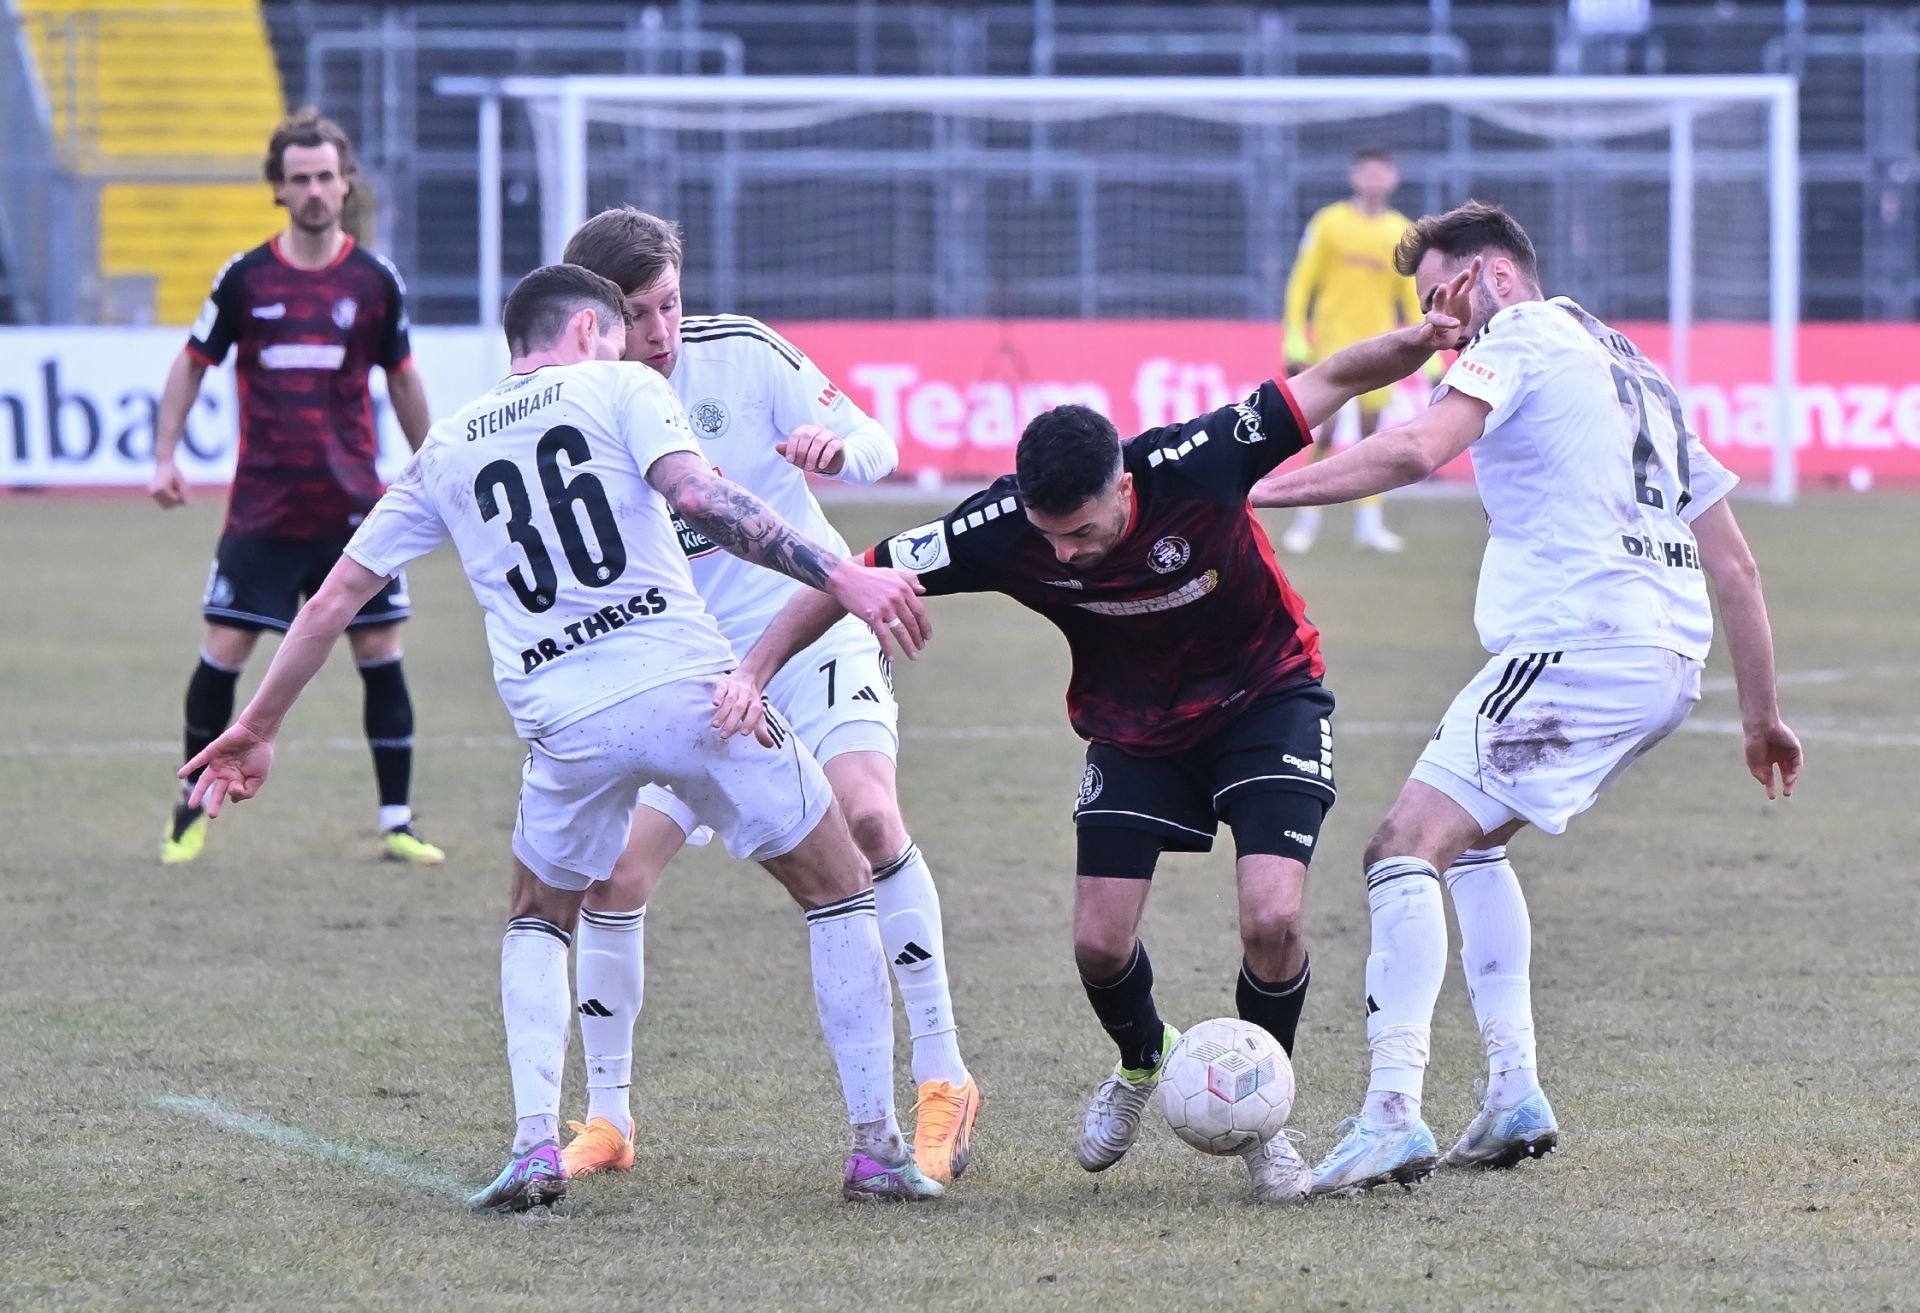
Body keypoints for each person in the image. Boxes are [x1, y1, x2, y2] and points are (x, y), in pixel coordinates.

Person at [182, 264, 943, 1210]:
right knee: (838, 885)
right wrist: (840, 571)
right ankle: (875, 1148)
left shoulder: (448, 443)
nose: (636, 344)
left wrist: (256, 725)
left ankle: (534, 1146)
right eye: (619, 328)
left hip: (564, 725)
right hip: (691, 696)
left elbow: (335, 597)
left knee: (538, 915)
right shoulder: (620, 386)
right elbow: (701, 498)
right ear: (588, 330)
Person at [712, 273, 1480, 1204]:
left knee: (1273, 919)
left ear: (1123, 485)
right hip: (1134, 729)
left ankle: (1263, 1121)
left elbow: (1332, 379)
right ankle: (1144, 1059)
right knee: (1098, 947)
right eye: (1050, 536)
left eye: (1080, 532)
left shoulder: (1201, 460)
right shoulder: (1002, 531)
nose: (1065, 552)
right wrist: (754, 670)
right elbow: (847, 575)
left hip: (1267, 697)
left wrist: (1424, 339)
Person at [1249, 200, 1805, 1194]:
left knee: (1399, 847)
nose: (1439, 321)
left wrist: (1249, 490)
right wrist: (1761, 716)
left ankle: (1390, 1113)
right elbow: (1738, 564)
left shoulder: (1517, 336)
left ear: (1495, 276)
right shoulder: (1635, 367)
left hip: (1578, 641)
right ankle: (1513, 1090)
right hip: (1665, 662)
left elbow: (1414, 450)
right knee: (1474, 844)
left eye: (1443, 295)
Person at [554, 208, 981, 1185]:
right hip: (692, 673)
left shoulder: (741, 353)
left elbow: (876, 441)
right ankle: (609, 1119)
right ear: (591, 318)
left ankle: (943, 1077)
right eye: (635, 314)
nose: (659, 331)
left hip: (810, 629)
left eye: (669, 304)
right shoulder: (578, 407)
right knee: (612, 875)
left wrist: (836, 449)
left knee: (869, 817)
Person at [149, 108, 441, 867]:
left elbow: (403, 379)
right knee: (223, 648)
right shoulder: (246, 278)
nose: (314, 190)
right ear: (278, 188)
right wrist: (165, 454)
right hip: (263, 511)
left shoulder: (375, 282)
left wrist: (436, 467)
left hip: (354, 510)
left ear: (346, 185)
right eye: (299, 178)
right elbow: (191, 362)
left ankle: (398, 822)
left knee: (379, 649)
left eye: (325, 177)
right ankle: (190, 811)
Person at [1279, 147, 1430, 556]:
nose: (1375, 180)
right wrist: (1294, 334)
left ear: (1392, 179)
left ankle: (1369, 522)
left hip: (1380, 346)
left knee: (1371, 435)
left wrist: (1430, 347)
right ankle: (1306, 518)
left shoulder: (1401, 231)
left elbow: (1411, 296)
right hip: (1333, 342)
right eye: (1368, 172)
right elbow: (1302, 282)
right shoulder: (1329, 223)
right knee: (1324, 431)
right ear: (1355, 177)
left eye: (1382, 173)